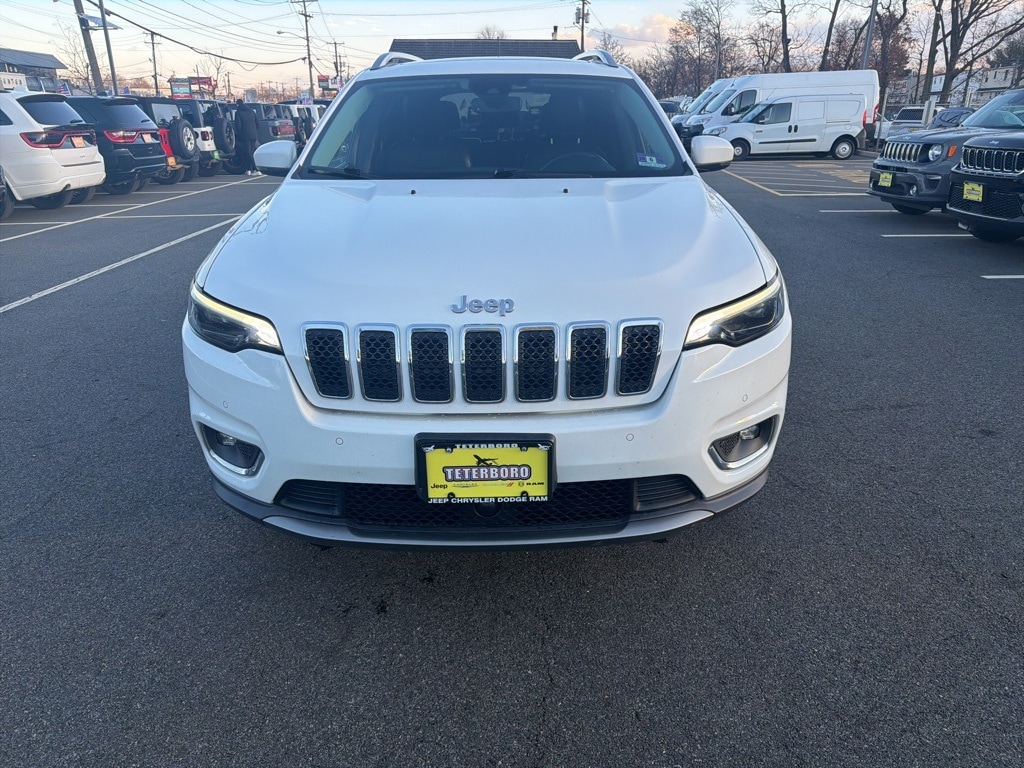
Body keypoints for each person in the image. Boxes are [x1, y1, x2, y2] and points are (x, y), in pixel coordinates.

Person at [234, 99, 260, 175]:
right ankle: (249, 169)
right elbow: (257, 123)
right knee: (250, 152)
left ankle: (256, 169)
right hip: (254, 134)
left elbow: (238, 125)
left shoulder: (238, 113)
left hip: (245, 135)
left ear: (238, 104)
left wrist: (238, 134)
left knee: (247, 152)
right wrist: (255, 131)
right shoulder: (251, 111)